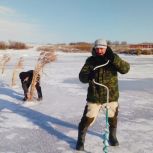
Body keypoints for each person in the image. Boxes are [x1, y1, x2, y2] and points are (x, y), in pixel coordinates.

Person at [76, 39, 130, 151]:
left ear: (106, 48)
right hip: (94, 97)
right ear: (95, 48)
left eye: (102, 48)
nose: (100, 50)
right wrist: (88, 75)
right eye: (98, 48)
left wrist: (114, 59)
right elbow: (82, 77)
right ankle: (80, 140)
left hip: (110, 96)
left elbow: (125, 69)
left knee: (112, 118)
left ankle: (112, 136)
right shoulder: (90, 61)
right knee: (87, 119)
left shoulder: (113, 58)